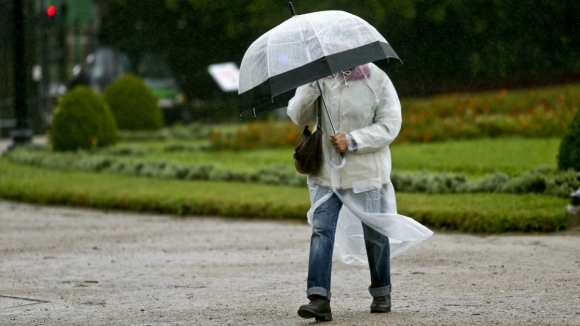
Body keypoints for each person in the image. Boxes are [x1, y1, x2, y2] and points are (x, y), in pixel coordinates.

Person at [287, 63, 432, 322]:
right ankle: (318, 298)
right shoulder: (319, 78)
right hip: (326, 174)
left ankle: (381, 292)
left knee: (375, 235)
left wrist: (352, 141)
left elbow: (390, 124)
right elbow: (299, 117)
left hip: (366, 173)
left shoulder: (375, 78)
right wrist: (310, 85)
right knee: (322, 230)